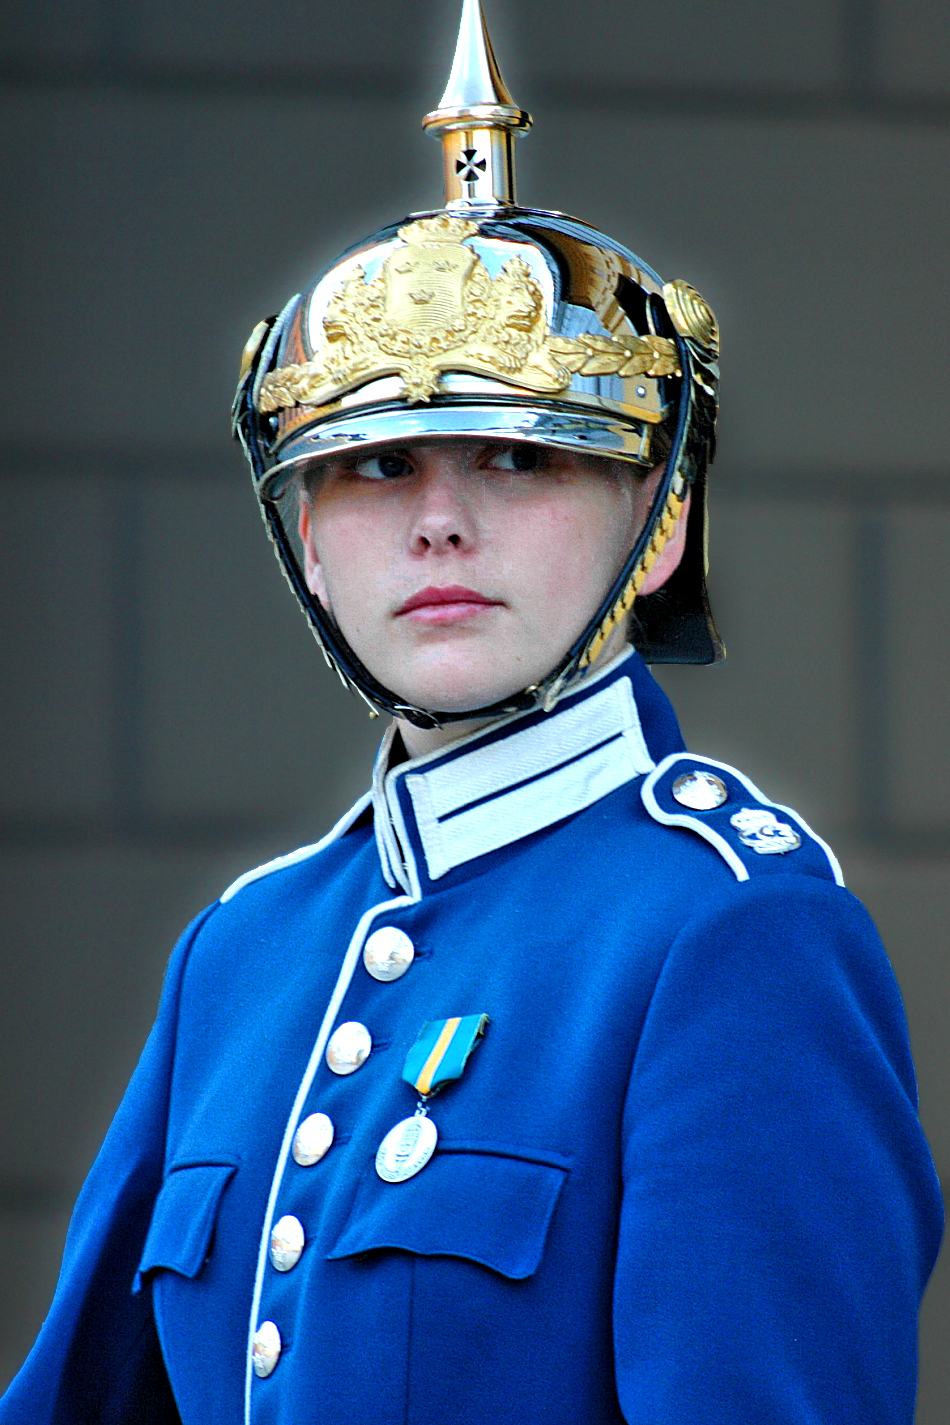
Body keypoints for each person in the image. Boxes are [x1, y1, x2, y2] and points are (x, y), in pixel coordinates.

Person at [1, 3, 942, 1423]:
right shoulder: (241, 949)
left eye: (516, 457)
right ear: (307, 540)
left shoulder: (731, 931)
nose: (438, 521)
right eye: (373, 470)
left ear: (663, 516)